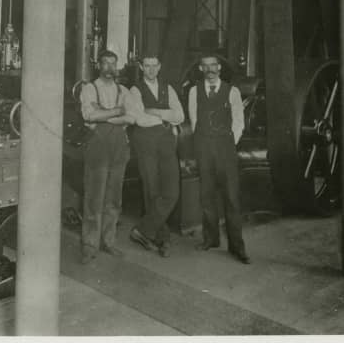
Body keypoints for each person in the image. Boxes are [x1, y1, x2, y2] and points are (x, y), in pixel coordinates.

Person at [188, 53, 249, 264]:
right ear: (200, 69)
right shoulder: (194, 91)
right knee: (206, 196)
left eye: (213, 65)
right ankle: (211, 239)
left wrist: (228, 143)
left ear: (220, 68)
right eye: (205, 65)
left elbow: (239, 122)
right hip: (204, 148)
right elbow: (194, 120)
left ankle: (237, 246)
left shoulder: (232, 91)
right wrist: (202, 144)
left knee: (232, 198)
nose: (210, 69)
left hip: (225, 149)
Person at [78, 50, 134, 264]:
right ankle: (89, 246)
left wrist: (104, 114)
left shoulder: (124, 90)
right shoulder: (89, 89)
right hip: (98, 149)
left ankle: (108, 242)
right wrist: (117, 112)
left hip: (119, 149)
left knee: (113, 200)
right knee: (94, 199)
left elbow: (132, 116)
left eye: (113, 63)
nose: (110, 68)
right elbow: (88, 115)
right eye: (106, 63)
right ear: (98, 65)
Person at [125, 55, 185, 258]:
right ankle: (162, 238)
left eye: (154, 66)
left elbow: (180, 116)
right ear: (141, 67)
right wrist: (165, 115)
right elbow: (140, 119)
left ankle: (142, 231)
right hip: (146, 143)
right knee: (152, 190)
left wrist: (155, 111)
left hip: (167, 143)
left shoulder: (168, 88)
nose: (150, 70)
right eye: (147, 66)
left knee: (172, 191)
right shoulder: (135, 90)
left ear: (160, 67)